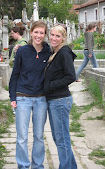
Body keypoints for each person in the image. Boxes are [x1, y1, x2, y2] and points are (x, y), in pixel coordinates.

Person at [9, 20, 51, 169]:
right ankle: (23, 165)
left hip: (41, 99)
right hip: (23, 97)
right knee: (22, 137)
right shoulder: (21, 51)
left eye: (41, 32)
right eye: (36, 32)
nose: (38, 35)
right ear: (31, 33)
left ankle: (37, 165)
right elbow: (15, 75)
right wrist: (12, 97)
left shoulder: (49, 51)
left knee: (39, 136)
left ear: (45, 34)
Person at [44, 24, 77, 169]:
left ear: (63, 38)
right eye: (52, 35)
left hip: (60, 100)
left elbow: (71, 76)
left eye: (58, 36)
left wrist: (49, 86)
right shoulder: (54, 51)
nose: (54, 38)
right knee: (59, 138)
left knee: (61, 139)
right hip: (54, 100)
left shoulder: (64, 52)